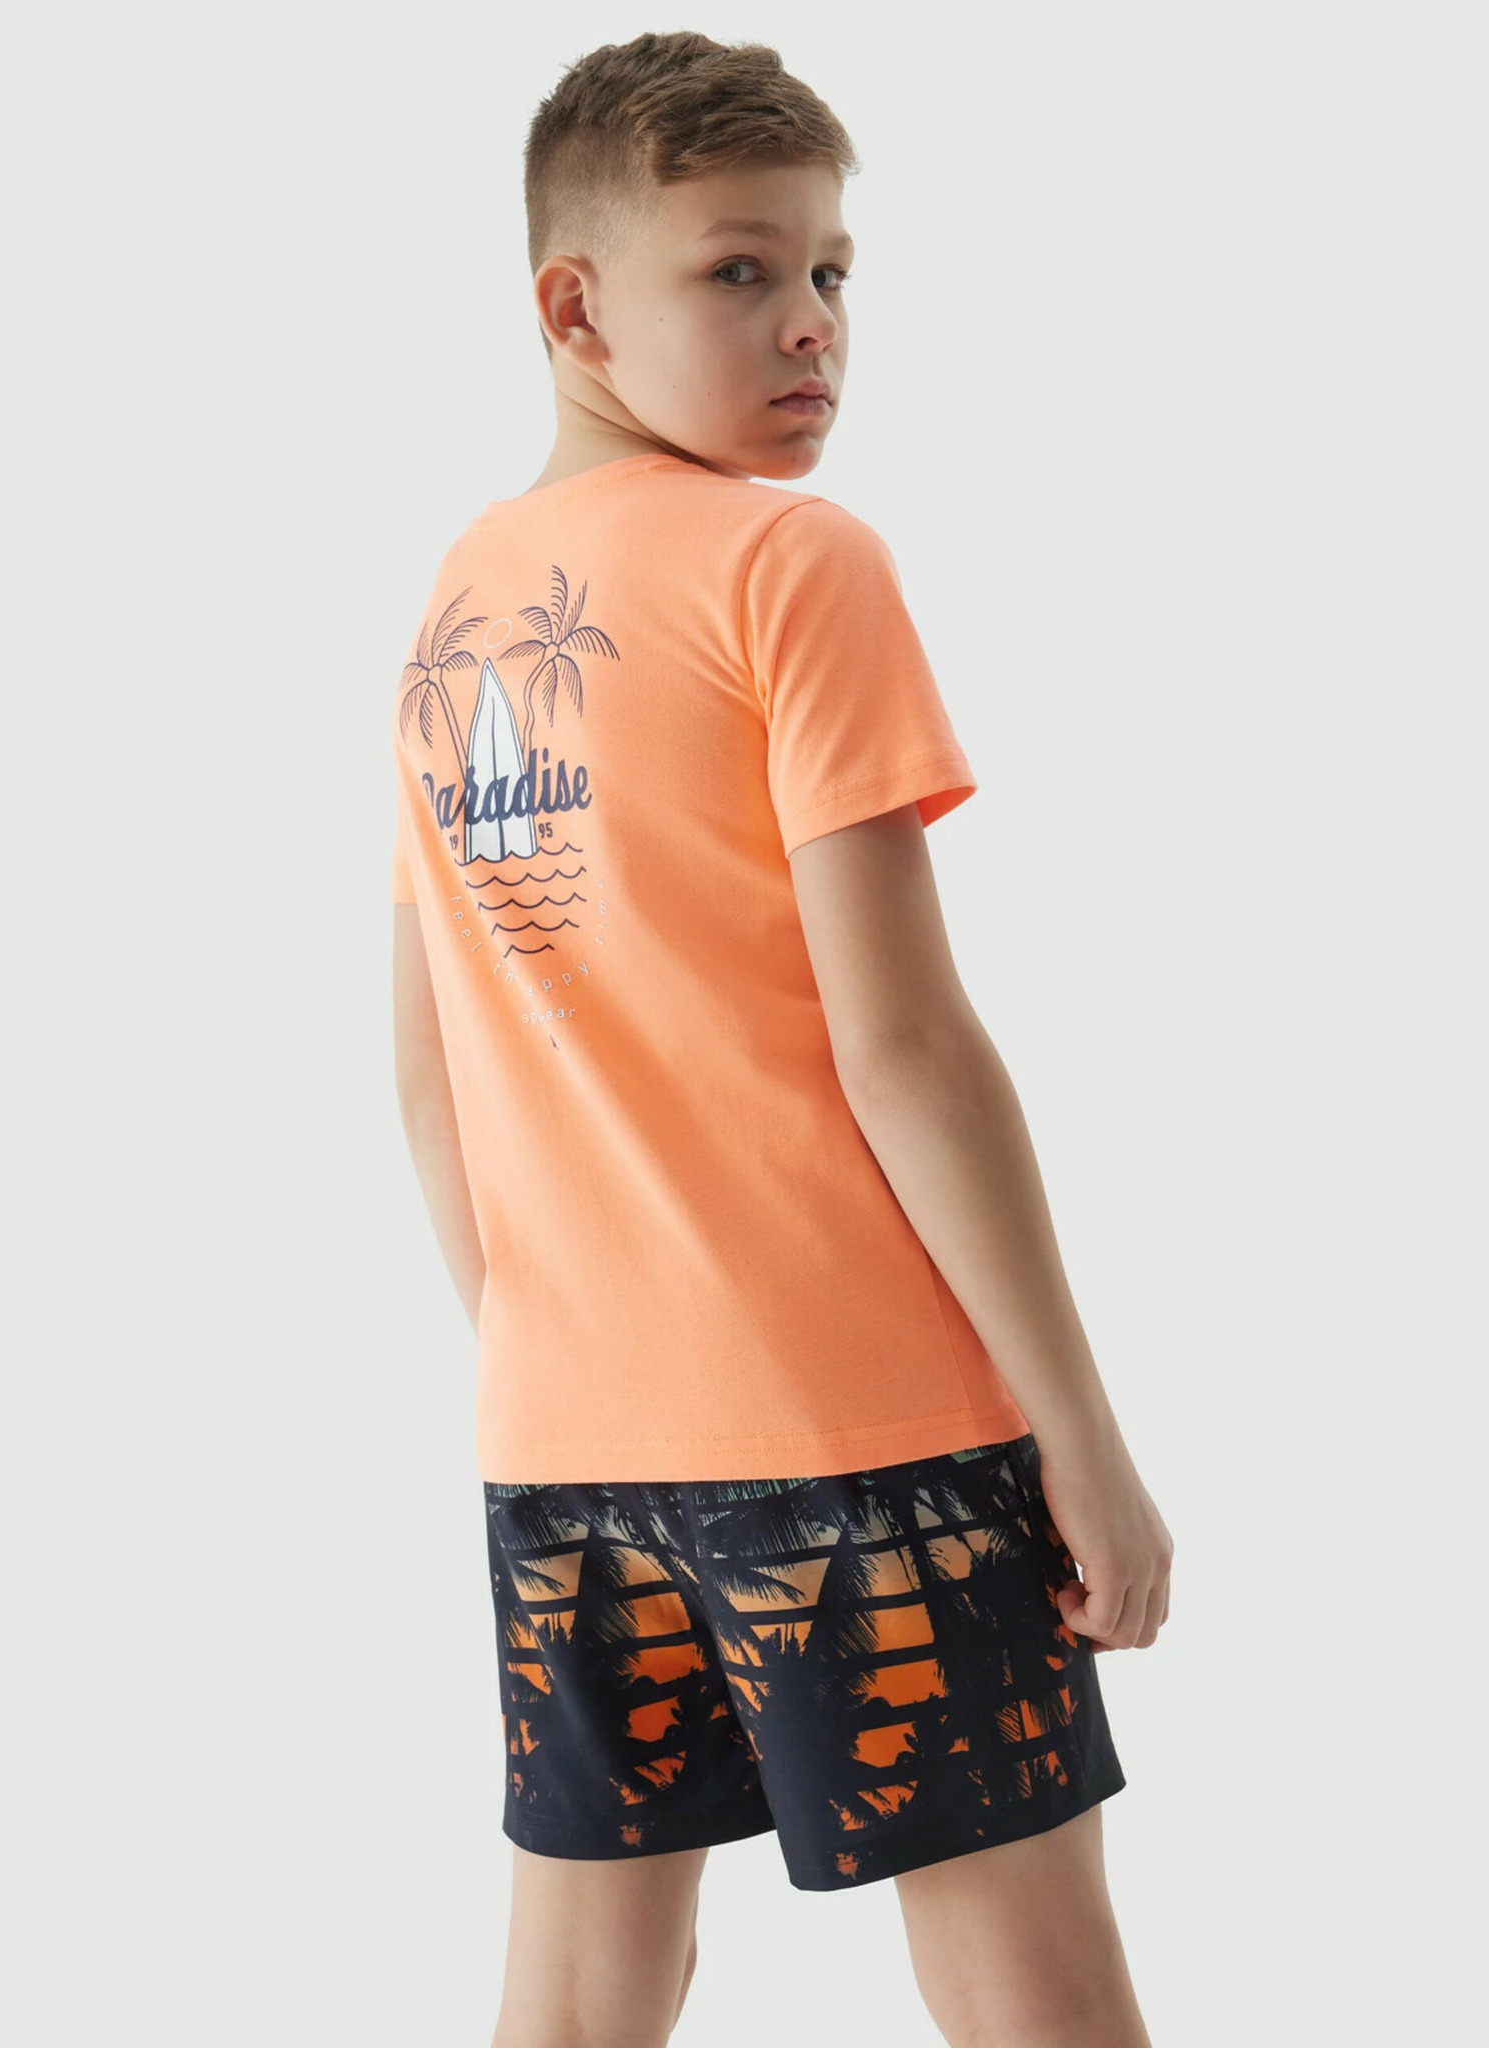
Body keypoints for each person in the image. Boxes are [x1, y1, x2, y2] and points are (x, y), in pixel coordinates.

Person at [390, 29, 1171, 2048]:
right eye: (739, 271)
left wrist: (565, 1357)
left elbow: (432, 1073)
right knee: (1036, 1992)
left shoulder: (460, 612)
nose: (811, 322)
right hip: (862, 1427)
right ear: (575, 307)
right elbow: (904, 1044)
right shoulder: (791, 562)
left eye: (832, 270)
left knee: (577, 2005)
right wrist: (1080, 1438)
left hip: (565, 1449)